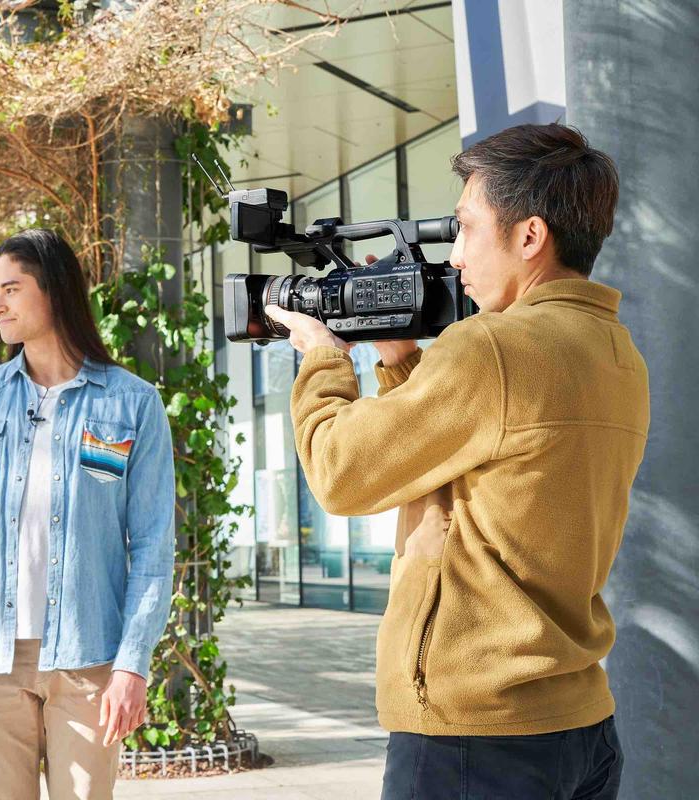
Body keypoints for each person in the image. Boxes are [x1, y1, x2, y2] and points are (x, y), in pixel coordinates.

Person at [263, 123, 646, 798]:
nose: (458, 256)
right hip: (576, 727)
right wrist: (402, 360)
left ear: (530, 236)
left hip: (474, 736)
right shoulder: (615, 352)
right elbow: (482, 465)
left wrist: (324, 356)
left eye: (467, 228)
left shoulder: (492, 347)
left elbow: (340, 473)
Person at [0, 229, 176, 799]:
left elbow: (153, 548)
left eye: (11, 288)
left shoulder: (131, 403)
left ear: (54, 291)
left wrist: (132, 665)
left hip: (89, 656)